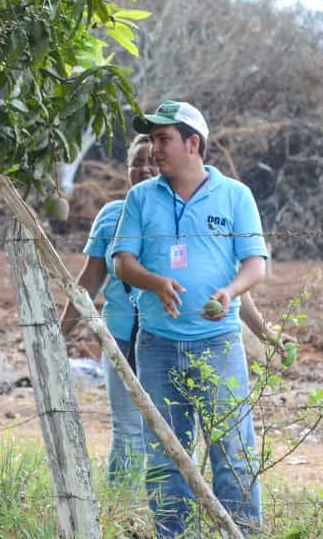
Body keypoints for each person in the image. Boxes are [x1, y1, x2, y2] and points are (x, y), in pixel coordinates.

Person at [111, 100, 270, 536]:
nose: (154, 149)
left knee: (233, 452)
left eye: (163, 139)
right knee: (165, 453)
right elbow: (123, 262)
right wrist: (155, 282)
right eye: (152, 139)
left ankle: (241, 532)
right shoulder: (141, 197)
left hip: (218, 342)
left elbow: (255, 265)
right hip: (157, 346)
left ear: (193, 144)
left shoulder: (236, 196)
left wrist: (230, 291)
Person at [61, 133, 155, 483]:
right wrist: (59, 334)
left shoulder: (180, 215)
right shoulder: (112, 215)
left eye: (152, 161)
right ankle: (121, 513)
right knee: (128, 431)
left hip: (164, 339)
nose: (144, 169)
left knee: (170, 432)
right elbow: (89, 280)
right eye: (137, 163)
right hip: (119, 339)